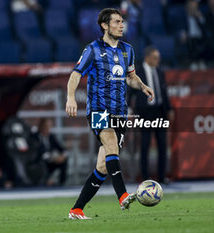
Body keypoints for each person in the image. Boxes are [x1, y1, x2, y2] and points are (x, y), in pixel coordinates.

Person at [66, 8, 154, 219]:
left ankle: (76, 209)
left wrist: (142, 86)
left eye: (122, 22)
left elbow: (130, 77)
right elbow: (75, 75)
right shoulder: (93, 49)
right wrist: (70, 97)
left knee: (103, 166)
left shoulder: (128, 50)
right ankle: (122, 195)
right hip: (98, 109)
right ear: (105, 26)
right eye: (116, 22)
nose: (121, 25)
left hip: (119, 112)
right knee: (111, 144)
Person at [129, 46, 172, 184]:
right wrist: (129, 109)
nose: (157, 60)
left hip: (159, 111)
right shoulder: (137, 72)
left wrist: (169, 109)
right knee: (145, 145)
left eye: (158, 58)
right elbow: (131, 93)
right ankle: (145, 177)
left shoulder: (160, 72)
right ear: (147, 58)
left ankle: (161, 177)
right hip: (144, 112)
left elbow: (163, 92)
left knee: (162, 145)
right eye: (155, 58)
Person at [33, 118, 68, 186]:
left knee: (64, 161)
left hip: (50, 161)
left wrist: (63, 156)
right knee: (43, 162)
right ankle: (45, 181)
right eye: (46, 126)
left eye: (49, 126)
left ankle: (62, 184)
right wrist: (54, 158)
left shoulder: (51, 137)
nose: (48, 128)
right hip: (39, 162)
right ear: (41, 126)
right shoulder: (35, 137)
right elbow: (40, 153)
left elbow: (62, 149)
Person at [181, 0, 208, 70]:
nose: (193, 6)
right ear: (187, 6)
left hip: (200, 38)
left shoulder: (200, 15)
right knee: (192, 41)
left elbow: (205, 28)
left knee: (201, 41)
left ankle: (201, 61)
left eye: (195, 5)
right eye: (192, 5)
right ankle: (194, 62)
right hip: (190, 38)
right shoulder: (184, 18)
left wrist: (200, 17)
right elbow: (181, 29)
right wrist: (183, 33)